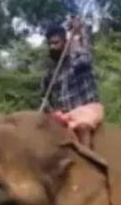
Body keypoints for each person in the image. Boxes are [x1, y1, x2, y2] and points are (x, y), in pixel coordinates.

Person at [41, 17, 104, 150]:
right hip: (65, 115)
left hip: (87, 110)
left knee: (82, 128)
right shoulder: (51, 71)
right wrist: (51, 111)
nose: (52, 47)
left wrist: (77, 33)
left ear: (65, 43)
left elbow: (86, 56)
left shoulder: (78, 58)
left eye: (56, 43)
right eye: (50, 44)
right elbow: (44, 97)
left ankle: (89, 163)